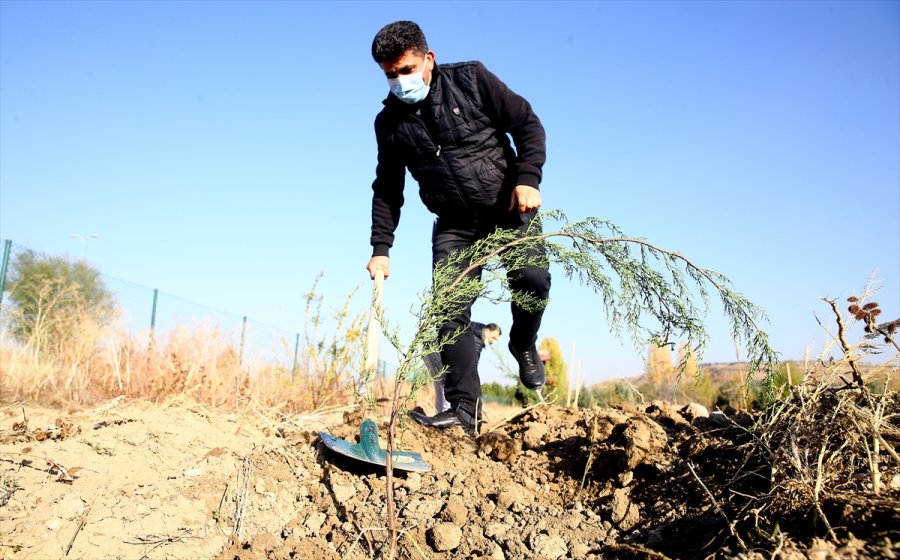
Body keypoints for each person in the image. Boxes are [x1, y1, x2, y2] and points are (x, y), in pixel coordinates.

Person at [365, 21, 551, 436]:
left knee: (533, 279)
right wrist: (382, 246)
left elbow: (527, 125)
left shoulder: (472, 80)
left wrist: (528, 178)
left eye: (406, 69)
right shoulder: (389, 124)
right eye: (390, 74)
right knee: (449, 311)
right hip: (455, 225)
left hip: (508, 208)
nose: (400, 81)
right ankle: (464, 410)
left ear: (428, 59)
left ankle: (522, 341)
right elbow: (387, 187)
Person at [423, 322, 501, 414]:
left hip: (430, 349)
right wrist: (476, 393)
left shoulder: (472, 328)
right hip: (437, 352)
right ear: (488, 330)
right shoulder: (476, 338)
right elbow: (471, 368)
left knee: (441, 387)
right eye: (494, 338)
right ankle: (444, 421)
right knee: (447, 385)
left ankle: (439, 417)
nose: (493, 342)